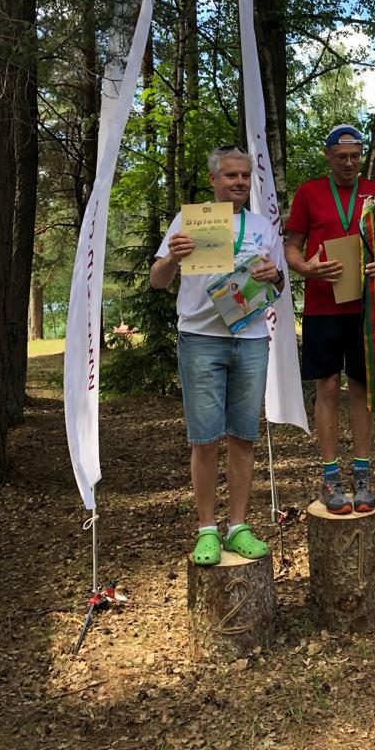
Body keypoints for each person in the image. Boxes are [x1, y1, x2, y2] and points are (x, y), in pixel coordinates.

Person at [150, 147, 285, 566]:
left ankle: (238, 526)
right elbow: (157, 281)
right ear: (213, 180)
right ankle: (207, 529)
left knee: (244, 437)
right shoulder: (189, 221)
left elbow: (278, 284)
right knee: (205, 440)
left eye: (245, 175)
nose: (240, 182)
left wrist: (274, 275)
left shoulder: (262, 226)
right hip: (201, 339)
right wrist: (173, 255)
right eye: (231, 175)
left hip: (251, 339)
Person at [285, 124, 375, 514]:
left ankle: (363, 474)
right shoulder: (308, 193)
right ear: (328, 156)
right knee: (328, 387)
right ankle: (330, 475)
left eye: (355, 156)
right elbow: (291, 248)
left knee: (363, 388)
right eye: (341, 157)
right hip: (323, 307)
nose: (349, 163)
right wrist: (307, 268)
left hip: (367, 305)